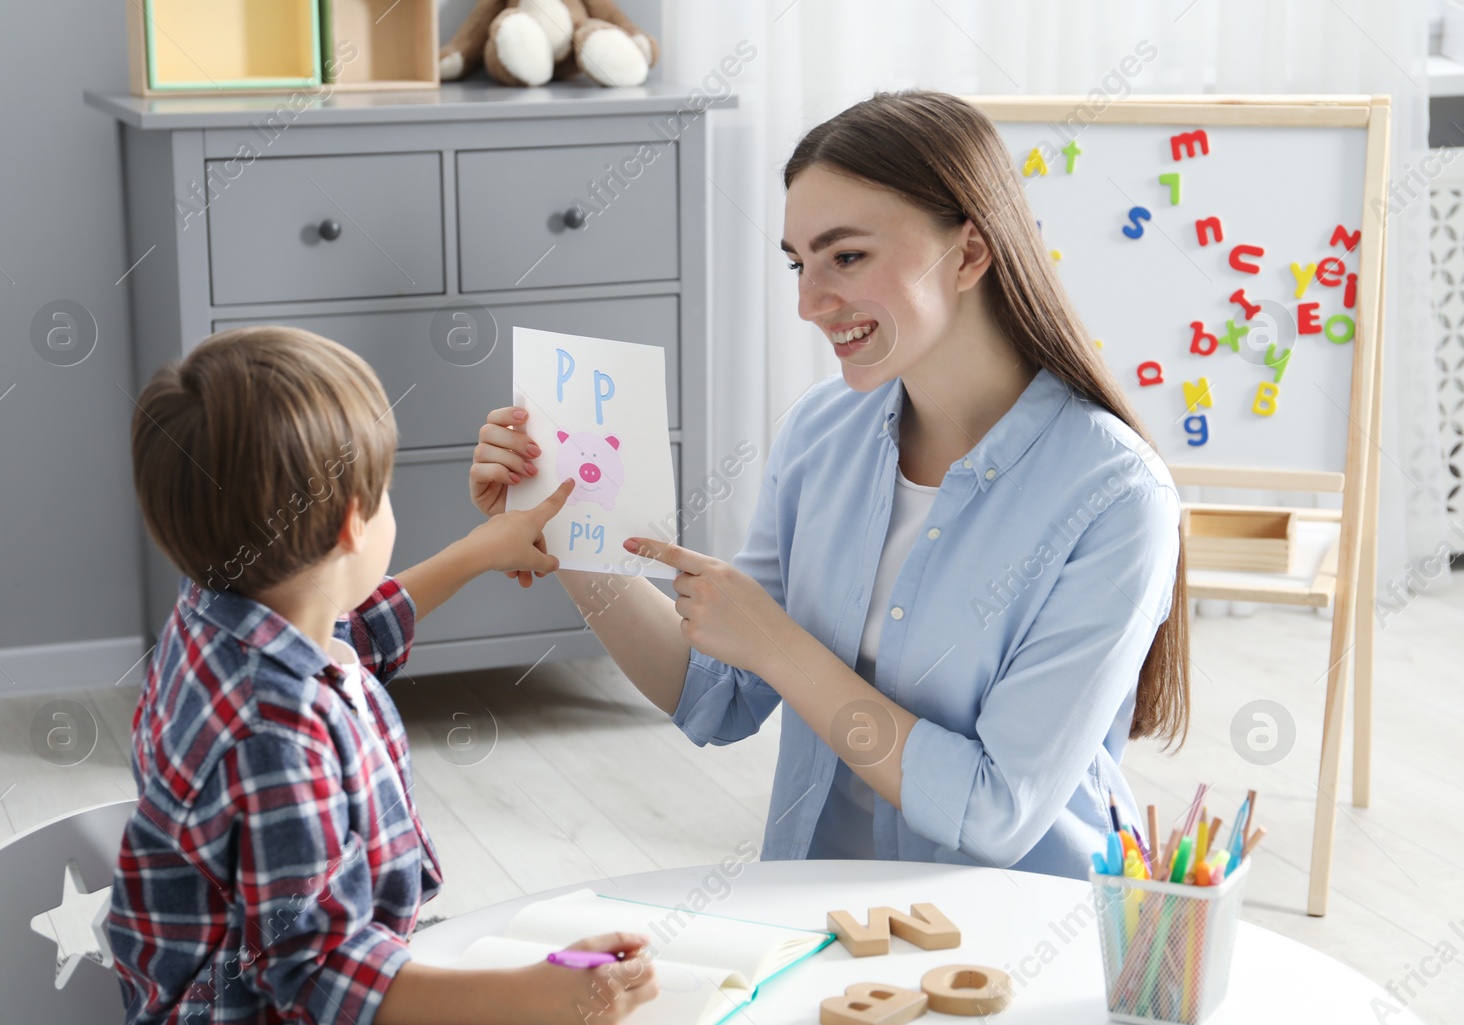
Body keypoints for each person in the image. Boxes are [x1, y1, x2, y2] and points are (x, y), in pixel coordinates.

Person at [468, 90, 1188, 879]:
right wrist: (564, 533)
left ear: (970, 253)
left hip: (1006, 933)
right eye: (798, 264)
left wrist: (779, 644)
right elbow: (717, 695)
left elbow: (994, 811)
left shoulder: (1116, 496)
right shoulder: (823, 431)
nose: (811, 303)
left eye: (846, 257)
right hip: (821, 915)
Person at [109, 325, 655, 1025]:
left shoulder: (225, 600)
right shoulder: (273, 734)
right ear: (351, 523)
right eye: (385, 490)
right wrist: (535, 993)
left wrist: (477, 552)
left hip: (274, 983)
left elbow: (347, 631)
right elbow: (321, 973)